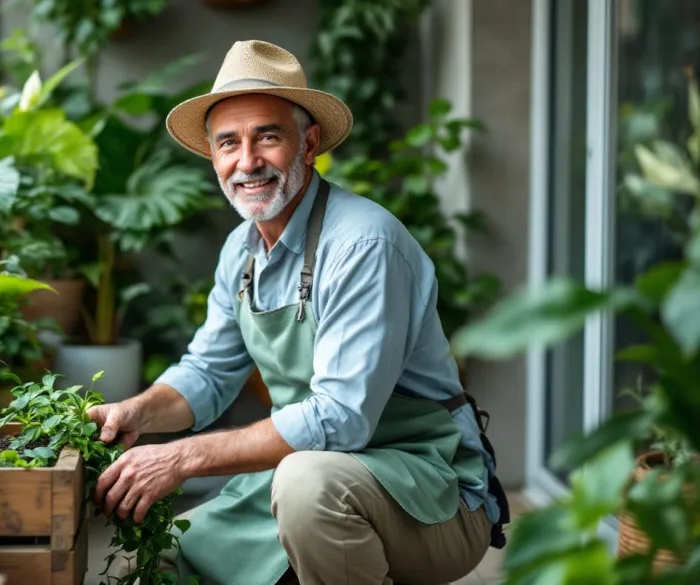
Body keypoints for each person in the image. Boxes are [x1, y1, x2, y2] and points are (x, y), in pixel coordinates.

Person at [87, 40, 510, 585]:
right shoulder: (241, 251)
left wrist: (180, 459)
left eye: (267, 136)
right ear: (213, 158)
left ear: (308, 144)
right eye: (228, 144)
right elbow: (207, 374)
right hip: (303, 475)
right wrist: (137, 413)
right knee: (150, 569)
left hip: (429, 492)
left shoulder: (363, 244)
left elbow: (340, 418)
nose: (247, 162)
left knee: (306, 486)